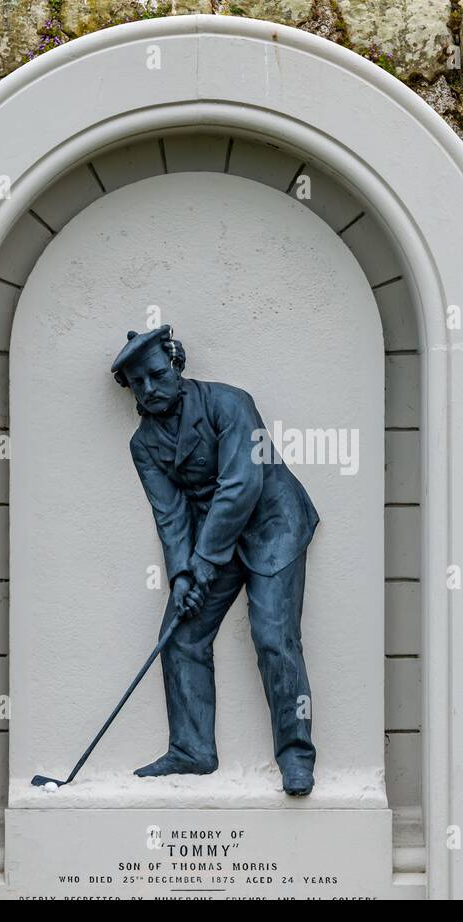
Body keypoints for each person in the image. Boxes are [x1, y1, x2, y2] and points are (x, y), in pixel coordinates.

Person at [111, 325, 319, 796]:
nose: (149, 388)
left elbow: (240, 486)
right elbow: (170, 516)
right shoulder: (143, 445)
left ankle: (296, 755)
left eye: (156, 375)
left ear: (176, 364)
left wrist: (204, 559)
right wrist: (184, 574)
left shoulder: (230, 403)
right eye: (137, 382)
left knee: (273, 636)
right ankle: (192, 750)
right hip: (211, 542)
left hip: (273, 526)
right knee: (181, 634)